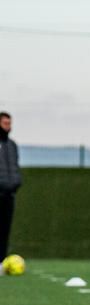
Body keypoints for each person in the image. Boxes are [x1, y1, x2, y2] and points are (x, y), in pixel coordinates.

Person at [0, 111, 21, 260]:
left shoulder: (12, 145)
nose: (8, 126)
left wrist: (16, 182)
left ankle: (1, 261)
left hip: (9, 195)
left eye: (9, 123)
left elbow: (15, 166)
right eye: (5, 123)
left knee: (5, 230)